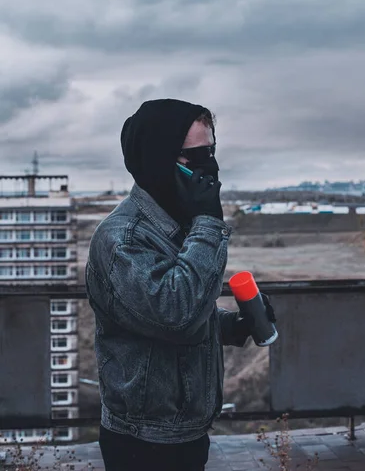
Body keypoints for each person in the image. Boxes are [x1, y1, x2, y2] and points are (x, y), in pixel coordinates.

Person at [85, 99, 259, 471]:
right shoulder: (122, 238)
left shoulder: (177, 219)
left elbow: (183, 304)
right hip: (143, 440)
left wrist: (230, 325)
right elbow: (174, 313)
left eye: (210, 152)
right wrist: (209, 222)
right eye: (191, 156)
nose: (207, 166)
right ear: (156, 159)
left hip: (187, 430)